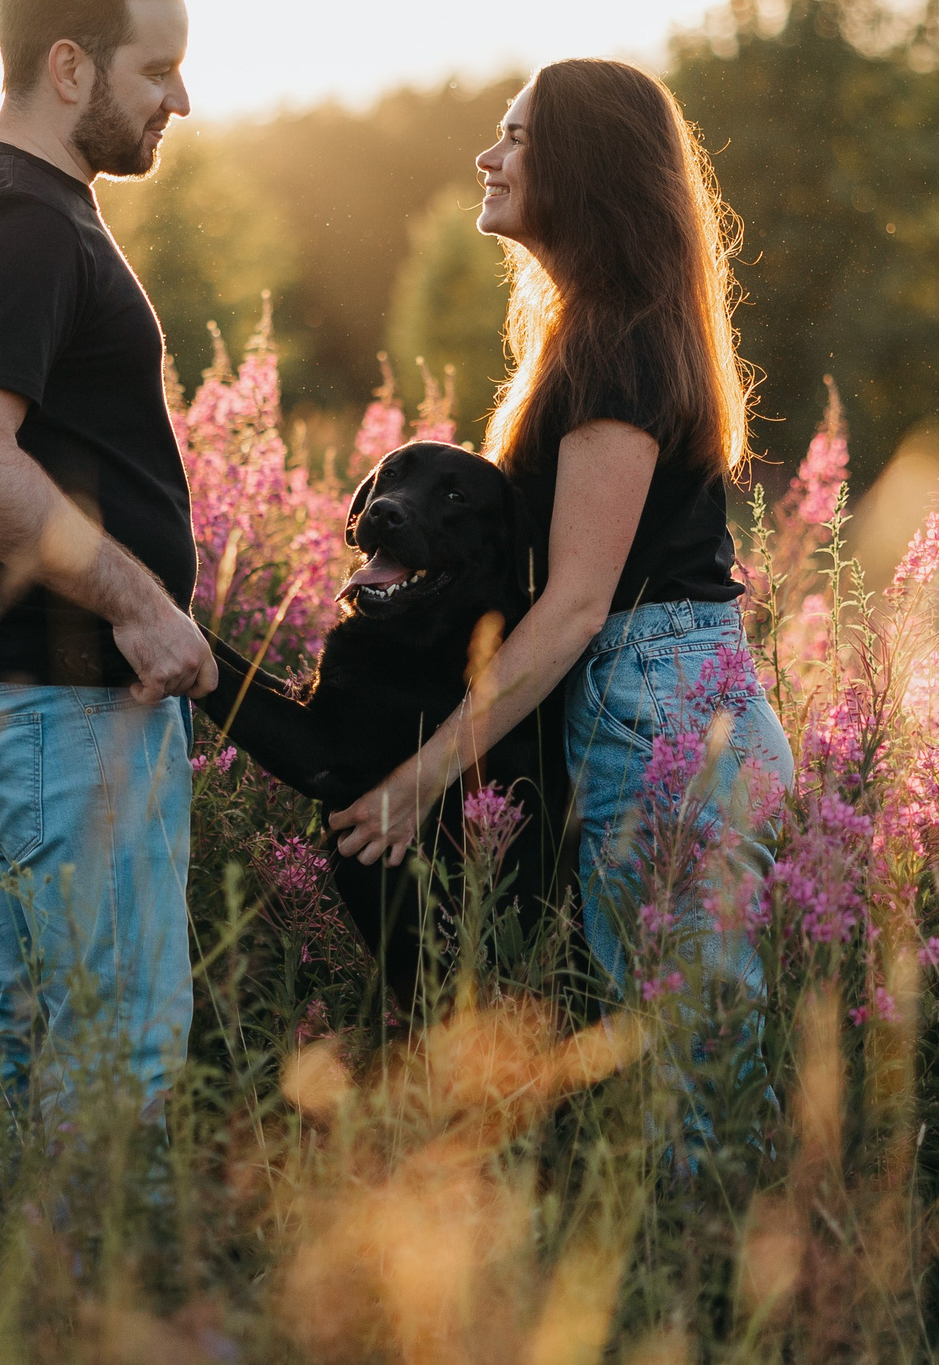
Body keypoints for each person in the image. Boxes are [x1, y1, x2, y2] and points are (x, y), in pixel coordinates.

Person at [328, 57, 792, 1004]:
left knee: (691, 1076)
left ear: (586, 165)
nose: (486, 155)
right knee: (674, 1068)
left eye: (517, 136)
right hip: (658, 701)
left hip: (660, 712)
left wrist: (421, 780)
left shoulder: (615, 346)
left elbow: (578, 602)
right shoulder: (605, 330)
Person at [0, 0, 219, 1128]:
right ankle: (96, 1315)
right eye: (156, 71)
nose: (179, 99)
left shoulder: (17, 206)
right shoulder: (23, 221)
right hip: (60, 706)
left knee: (34, 1037)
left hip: (41, 702)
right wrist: (143, 609)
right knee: (115, 1051)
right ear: (71, 67)